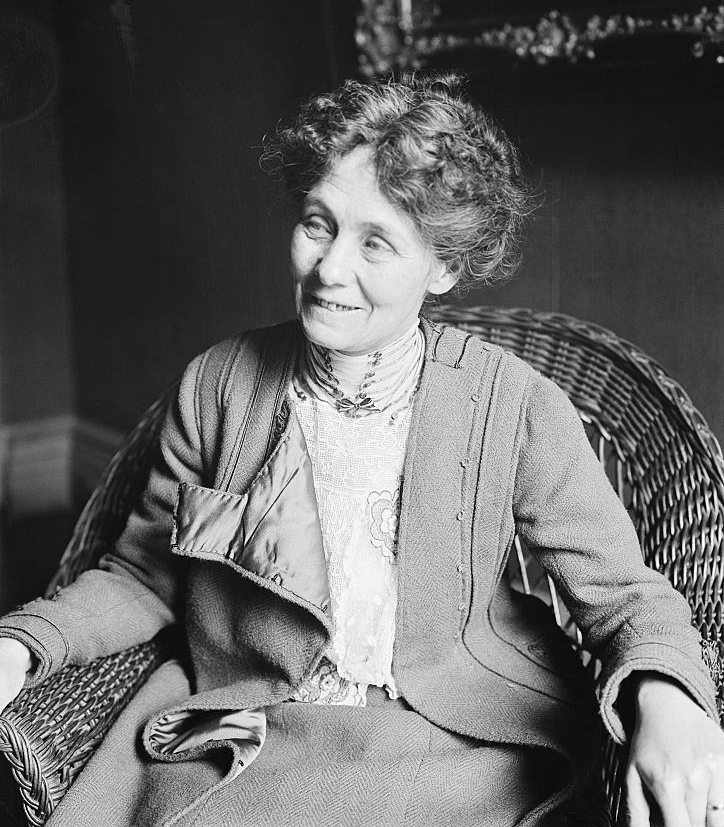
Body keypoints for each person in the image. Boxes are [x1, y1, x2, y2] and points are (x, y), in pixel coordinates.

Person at [0, 72, 722, 827]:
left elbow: (625, 598)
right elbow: (144, 576)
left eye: (376, 242)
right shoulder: (218, 385)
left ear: (443, 266)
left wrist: (669, 698)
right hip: (251, 724)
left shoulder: (513, 405)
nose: (330, 268)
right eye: (319, 224)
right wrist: (22, 645)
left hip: (449, 738)